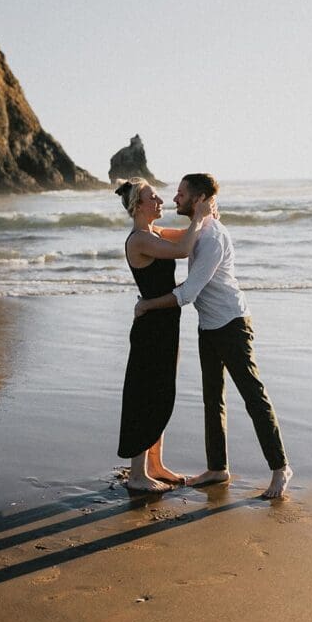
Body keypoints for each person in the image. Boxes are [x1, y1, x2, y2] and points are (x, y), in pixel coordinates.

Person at [134, 173, 292, 499]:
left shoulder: (212, 238)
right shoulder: (197, 232)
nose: (175, 199)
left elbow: (189, 292)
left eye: (181, 194)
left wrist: (148, 304)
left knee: (253, 397)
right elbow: (162, 238)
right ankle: (218, 468)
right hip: (209, 326)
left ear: (199, 198)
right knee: (212, 398)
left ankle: (280, 468)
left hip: (232, 324)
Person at [115, 178, 214, 493]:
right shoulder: (139, 240)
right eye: (153, 197)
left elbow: (188, 238)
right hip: (151, 329)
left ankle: (155, 466)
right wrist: (198, 216)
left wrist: (206, 216)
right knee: (145, 396)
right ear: (138, 206)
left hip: (164, 324)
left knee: (161, 393)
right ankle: (137, 475)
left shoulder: (153, 233)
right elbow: (184, 249)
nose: (160, 201)